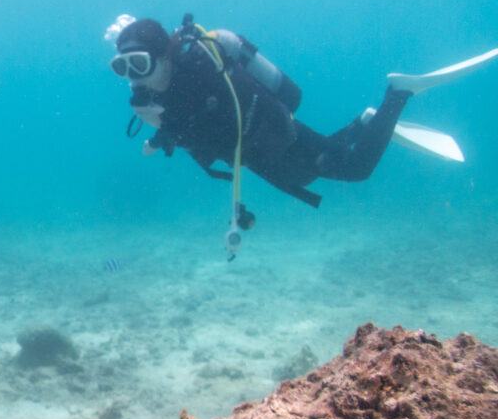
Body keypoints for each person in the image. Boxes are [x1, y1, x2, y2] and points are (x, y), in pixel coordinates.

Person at [109, 14, 497, 250]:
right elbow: (194, 134)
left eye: (139, 64)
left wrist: (167, 130)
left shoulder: (198, 70)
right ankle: (365, 122)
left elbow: (226, 116)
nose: (131, 77)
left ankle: (398, 93)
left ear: (164, 54)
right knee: (321, 165)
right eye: (121, 67)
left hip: (275, 135)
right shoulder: (151, 101)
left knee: (355, 168)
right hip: (259, 154)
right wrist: (160, 135)